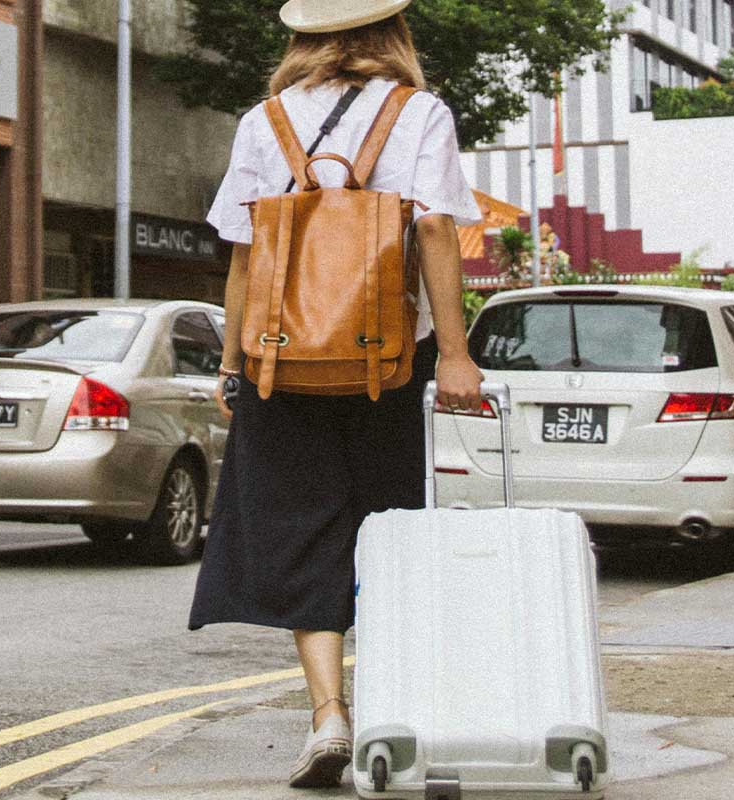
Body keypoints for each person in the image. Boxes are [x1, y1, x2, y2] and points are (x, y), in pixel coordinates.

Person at [188, 0, 485, 788]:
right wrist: (454, 354)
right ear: (394, 36)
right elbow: (433, 232)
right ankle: (389, 705)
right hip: (384, 359)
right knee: (385, 529)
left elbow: (246, 253)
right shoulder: (418, 112)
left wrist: (230, 363)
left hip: (278, 360)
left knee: (297, 525)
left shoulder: (267, 119)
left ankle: (328, 716)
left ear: (304, 38)